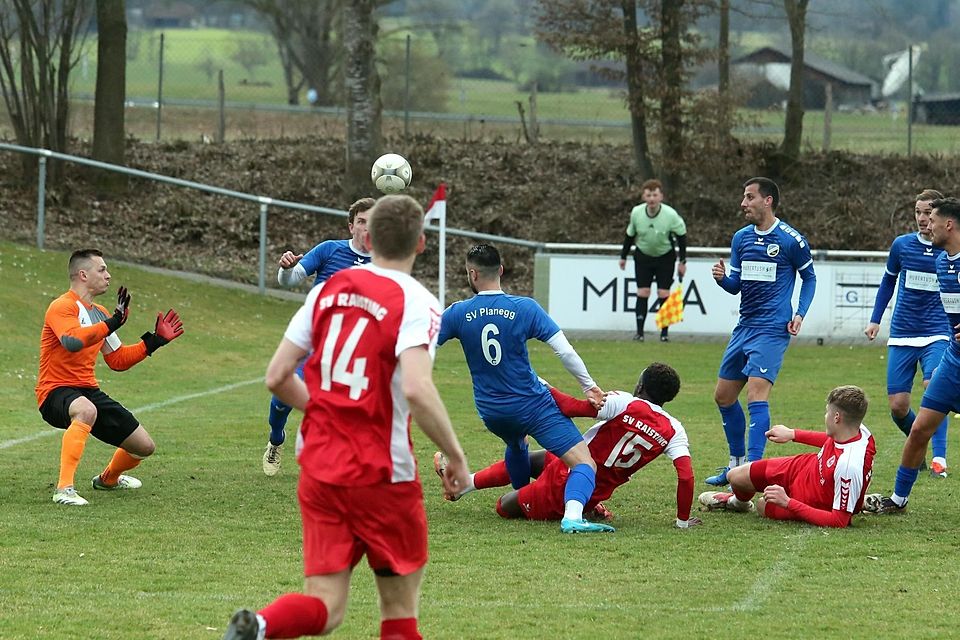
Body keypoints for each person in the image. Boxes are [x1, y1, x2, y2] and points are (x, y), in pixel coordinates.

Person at [222, 194, 470, 640]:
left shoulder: (325, 291)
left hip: (320, 467)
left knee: (325, 606)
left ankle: (260, 626)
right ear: (420, 244)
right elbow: (416, 387)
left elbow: (277, 376)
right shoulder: (418, 302)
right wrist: (455, 455)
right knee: (398, 612)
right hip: (382, 475)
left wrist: (323, 406)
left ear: (368, 237)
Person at [439, 243, 612, 534]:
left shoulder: (457, 313)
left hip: (492, 412)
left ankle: (522, 496)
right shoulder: (524, 308)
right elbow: (565, 351)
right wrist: (590, 386)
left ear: (472, 274)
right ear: (501, 271)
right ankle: (572, 516)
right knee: (584, 464)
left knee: (517, 444)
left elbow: (421, 348)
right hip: (532, 406)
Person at [434, 362, 702, 530]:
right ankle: (462, 485)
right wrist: (681, 520)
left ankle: (568, 508)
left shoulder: (625, 402)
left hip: (569, 480)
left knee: (504, 506)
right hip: (588, 479)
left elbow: (571, 407)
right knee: (536, 460)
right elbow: (686, 475)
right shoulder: (674, 429)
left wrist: (541, 385)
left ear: (640, 384)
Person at [37, 249, 184, 506]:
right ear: (83, 274)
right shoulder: (62, 306)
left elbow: (117, 360)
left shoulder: (101, 313)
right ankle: (64, 489)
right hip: (55, 391)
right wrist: (113, 322)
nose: (108, 275)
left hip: (88, 391)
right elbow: (72, 341)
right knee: (86, 410)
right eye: (102, 269)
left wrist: (154, 342)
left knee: (144, 447)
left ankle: (108, 479)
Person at [704, 177, 817, 487]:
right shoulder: (741, 239)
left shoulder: (791, 240)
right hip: (745, 327)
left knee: (756, 392)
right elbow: (736, 286)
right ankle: (735, 463)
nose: (744, 203)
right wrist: (722, 279)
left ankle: (754, 469)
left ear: (767, 201)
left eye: (749, 197)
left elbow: (810, 279)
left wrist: (800, 313)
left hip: (772, 329)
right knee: (723, 396)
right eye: (744, 197)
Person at [262, 197, 374, 476]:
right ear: (351, 226)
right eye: (361, 221)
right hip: (313, 340)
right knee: (282, 397)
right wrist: (285, 267)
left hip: (352, 348)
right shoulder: (330, 250)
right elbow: (289, 280)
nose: (366, 227)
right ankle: (276, 439)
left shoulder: (385, 265)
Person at [865, 197, 960, 515]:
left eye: (931, 219)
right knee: (919, 429)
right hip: (953, 360)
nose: (926, 225)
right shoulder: (941, 262)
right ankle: (898, 499)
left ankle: (941, 459)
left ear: (948, 224)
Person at [699, 385, 875, 528]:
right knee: (734, 476)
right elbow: (835, 440)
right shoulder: (860, 431)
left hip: (810, 501)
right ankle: (737, 503)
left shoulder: (848, 466)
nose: (825, 416)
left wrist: (787, 502)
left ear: (837, 417)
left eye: (827, 412)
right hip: (801, 467)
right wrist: (793, 434)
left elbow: (839, 521)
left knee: (762, 504)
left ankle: (853, 502)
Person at [618, 178, 688, 342]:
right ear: (644, 196)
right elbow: (630, 235)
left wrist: (682, 261)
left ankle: (664, 334)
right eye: (648, 195)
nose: (651, 199)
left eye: (654, 195)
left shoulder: (670, 215)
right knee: (643, 292)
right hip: (643, 256)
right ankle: (639, 333)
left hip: (665, 257)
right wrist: (623, 256)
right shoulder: (636, 212)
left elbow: (682, 237)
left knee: (663, 293)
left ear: (660, 197)